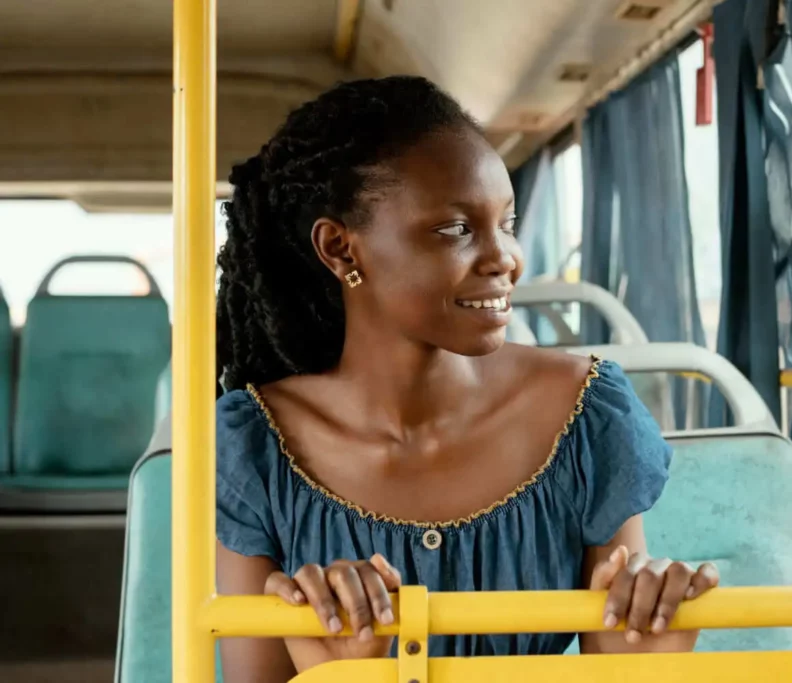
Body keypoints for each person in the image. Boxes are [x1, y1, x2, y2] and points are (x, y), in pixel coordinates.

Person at [214, 75, 718, 681]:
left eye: (507, 222)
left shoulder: (586, 411)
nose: (505, 257)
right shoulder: (255, 447)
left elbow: (616, 657)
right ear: (341, 250)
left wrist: (645, 652)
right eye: (456, 230)